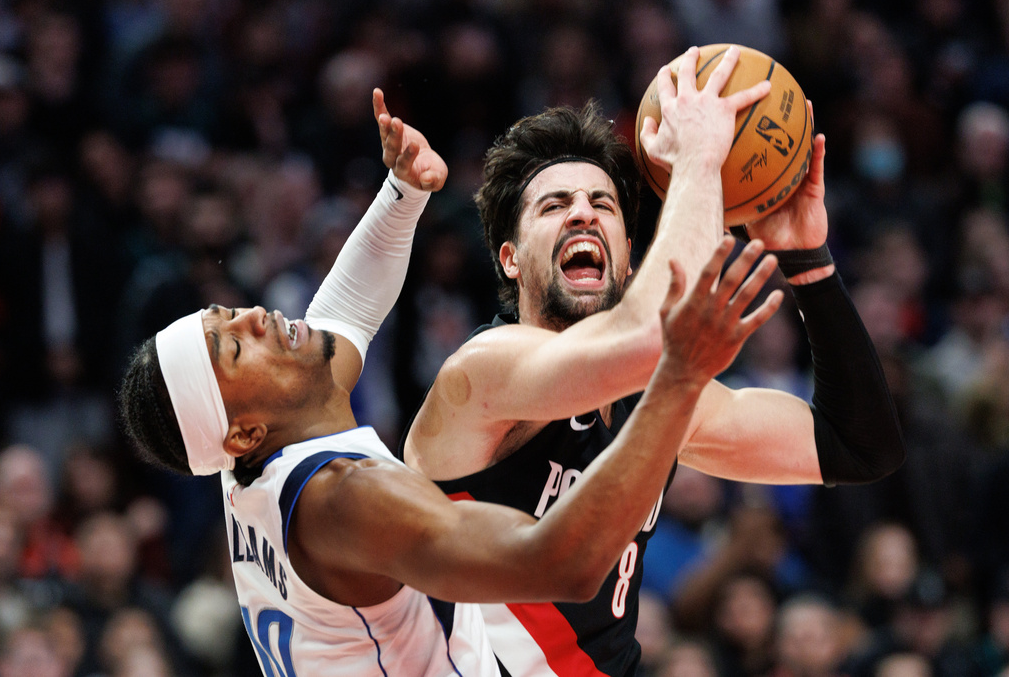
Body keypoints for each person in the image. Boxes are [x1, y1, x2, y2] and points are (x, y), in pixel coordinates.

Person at [116, 87, 783, 676]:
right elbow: (561, 564)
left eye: (231, 315)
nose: (258, 318)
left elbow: (344, 311)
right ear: (246, 429)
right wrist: (677, 377)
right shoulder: (347, 500)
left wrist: (402, 193)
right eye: (236, 346)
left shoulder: (257, 453)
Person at [397, 45, 906, 675]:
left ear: (629, 257)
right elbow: (649, 337)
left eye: (602, 205)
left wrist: (807, 260)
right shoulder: (484, 372)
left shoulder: (658, 398)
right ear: (509, 259)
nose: (582, 211)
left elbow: (859, 447)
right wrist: (698, 157)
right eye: (553, 206)